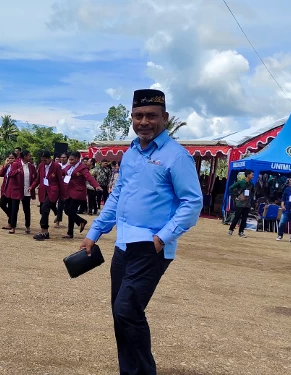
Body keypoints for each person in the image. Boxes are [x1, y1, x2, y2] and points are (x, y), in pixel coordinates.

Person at [79, 89, 203, 375]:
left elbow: (192, 202)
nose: (144, 121)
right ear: (132, 118)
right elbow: (118, 194)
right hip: (123, 245)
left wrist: (161, 238)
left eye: (151, 116)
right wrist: (95, 231)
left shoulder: (176, 156)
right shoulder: (132, 152)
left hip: (151, 247)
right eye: (138, 115)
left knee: (127, 310)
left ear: (165, 118)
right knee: (120, 314)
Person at [63, 152, 101, 239]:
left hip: (78, 193)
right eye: (70, 159)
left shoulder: (82, 168)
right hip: (69, 192)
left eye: (72, 159)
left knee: (71, 211)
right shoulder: (68, 167)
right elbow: (62, 173)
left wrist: (96, 186)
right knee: (67, 210)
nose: (71, 161)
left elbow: (89, 177)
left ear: (77, 159)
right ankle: (75, 228)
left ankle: (74, 228)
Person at [30, 151, 67, 240]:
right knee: (42, 211)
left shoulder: (56, 166)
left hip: (53, 191)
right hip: (43, 191)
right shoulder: (41, 166)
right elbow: (38, 179)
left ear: (50, 158)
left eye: (45, 160)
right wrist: (32, 186)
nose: (44, 162)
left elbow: (60, 181)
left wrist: (63, 194)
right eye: (42, 160)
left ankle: (44, 231)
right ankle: (45, 230)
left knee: (45, 209)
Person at [5, 150, 37, 234]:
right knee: (14, 209)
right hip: (17, 190)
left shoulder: (31, 166)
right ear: (25, 156)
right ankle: (13, 227)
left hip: (27, 191)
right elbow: (10, 174)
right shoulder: (16, 164)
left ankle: (27, 226)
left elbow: (35, 178)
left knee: (26, 209)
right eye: (29, 155)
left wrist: (32, 186)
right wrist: (17, 171)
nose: (31, 157)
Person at [227, 170, 255, 237]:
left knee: (244, 218)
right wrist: (234, 197)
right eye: (252, 174)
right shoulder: (241, 182)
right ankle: (231, 229)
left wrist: (249, 197)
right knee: (237, 217)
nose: (253, 176)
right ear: (248, 175)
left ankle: (241, 232)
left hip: (247, 204)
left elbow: (253, 192)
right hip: (240, 203)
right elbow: (230, 188)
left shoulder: (251, 184)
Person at [0, 153, 16, 229]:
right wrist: (5, 166)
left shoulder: (16, 167)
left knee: (11, 206)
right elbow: (1, 174)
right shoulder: (7, 166)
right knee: (2, 204)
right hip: (5, 189)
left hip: (12, 190)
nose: (10, 160)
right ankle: (12, 218)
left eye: (12, 158)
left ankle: (10, 223)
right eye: (9, 158)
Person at [54, 153, 70, 228]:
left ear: (67, 158)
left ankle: (58, 221)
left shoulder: (69, 166)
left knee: (61, 205)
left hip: (65, 187)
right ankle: (57, 214)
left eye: (64, 157)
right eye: (61, 157)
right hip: (57, 186)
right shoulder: (58, 166)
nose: (62, 159)